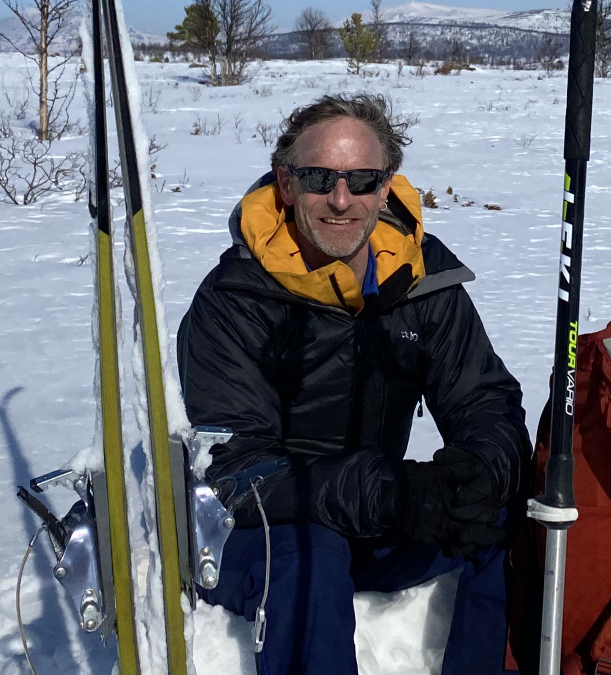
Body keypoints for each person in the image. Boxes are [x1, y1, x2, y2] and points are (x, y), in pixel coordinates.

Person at [176, 93, 529, 675]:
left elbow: (484, 401)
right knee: (310, 554)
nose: (342, 200)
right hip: (254, 534)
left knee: (499, 516)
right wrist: (391, 493)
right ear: (287, 184)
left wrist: (479, 473)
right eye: (320, 178)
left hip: (373, 514)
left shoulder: (420, 278)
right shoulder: (234, 301)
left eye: (362, 180)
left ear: (386, 187)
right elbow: (237, 473)